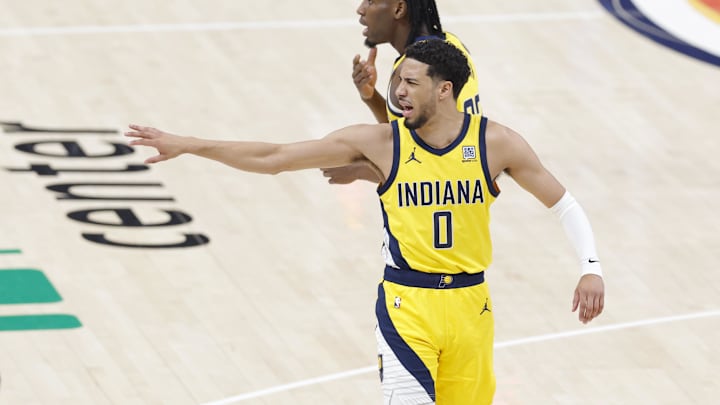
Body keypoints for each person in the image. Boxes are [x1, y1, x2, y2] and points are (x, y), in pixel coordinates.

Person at [126, 39, 605, 405]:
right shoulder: (381, 143)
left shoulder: (495, 142)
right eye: (397, 81)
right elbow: (274, 156)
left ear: (444, 89)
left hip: (471, 306)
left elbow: (563, 203)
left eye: (410, 83)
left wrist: (591, 267)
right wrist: (189, 143)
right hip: (406, 306)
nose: (397, 92)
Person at [323, 0, 482, 184]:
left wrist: (360, 170)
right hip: (468, 190)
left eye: (371, 1)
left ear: (399, 9)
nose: (361, 9)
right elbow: (406, 138)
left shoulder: (416, 69)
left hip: (441, 201)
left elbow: (428, 165)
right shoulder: (452, 45)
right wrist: (371, 96)